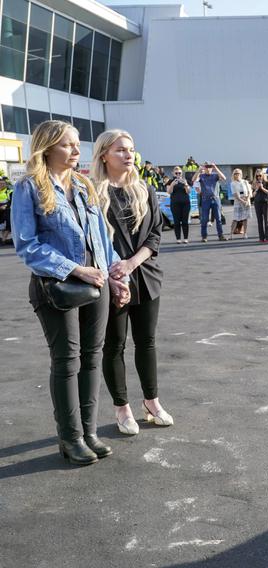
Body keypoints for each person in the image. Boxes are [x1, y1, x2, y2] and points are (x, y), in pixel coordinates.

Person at [11, 120, 131, 465]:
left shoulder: (83, 185)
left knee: (92, 358)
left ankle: (89, 432)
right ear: (47, 148)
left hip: (98, 284)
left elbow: (102, 241)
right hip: (58, 287)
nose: (77, 151)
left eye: (78, 144)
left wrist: (115, 276)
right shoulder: (30, 188)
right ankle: (71, 437)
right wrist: (76, 269)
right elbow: (27, 246)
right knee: (66, 361)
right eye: (68, 145)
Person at [92, 129, 173, 436]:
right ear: (104, 155)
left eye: (131, 150)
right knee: (114, 345)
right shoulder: (93, 192)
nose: (128, 155)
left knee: (147, 342)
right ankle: (122, 407)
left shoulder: (144, 190)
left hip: (145, 276)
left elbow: (154, 234)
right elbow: (90, 239)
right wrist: (115, 271)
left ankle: (151, 402)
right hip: (110, 280)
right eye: (121, 150)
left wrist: (131, 263)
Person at [191, 162, 226, 242]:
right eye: (206, 167)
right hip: (205, 199)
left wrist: (215, 167)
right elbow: (193, 180)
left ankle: (221, 235)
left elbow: (224, 178)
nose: (208, 168)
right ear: (204, 168)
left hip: (215, 199)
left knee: (218, 218)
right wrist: (199, 170)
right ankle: (204, 236)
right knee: (204, 219)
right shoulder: (201, 176)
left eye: (210, 167)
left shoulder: (214, 175)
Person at [165, 166, 192, 243]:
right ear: (173, 173)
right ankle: (178, 239)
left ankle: (186, 238)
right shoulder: (170, 181)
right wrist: (172, 185)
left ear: (182, 173)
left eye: (179, 173)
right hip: (175, 204)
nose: (178, 174)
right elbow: (169, 192)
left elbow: (188, 192)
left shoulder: (185, 180)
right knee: (176, 222)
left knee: (185, 221)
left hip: (185, 203)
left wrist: (186, 184)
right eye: (176, 173)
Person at [230, 169, 252, 239]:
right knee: (235, 218)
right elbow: (235, 194)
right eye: (235, 173)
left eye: (238, 173)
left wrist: (247, 199)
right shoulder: (233, 183)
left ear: (241, 174)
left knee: (245, 218)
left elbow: (249, 191)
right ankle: (230, 235)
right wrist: (242, 201)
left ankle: (245, 233)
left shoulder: (245, 182)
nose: (237, 175)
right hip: (238, 201)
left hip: (246, 200)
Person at [252, 169, 268, 242]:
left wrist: (262, 188)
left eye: (260, 175)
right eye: (257, 176)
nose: (259, 177)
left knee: (267, 220)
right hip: (257, 203)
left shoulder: (266, 182)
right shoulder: (254, 184)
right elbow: (252, 195)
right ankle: (261, 238)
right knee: (259, 220)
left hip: (265, 202)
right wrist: (257, 189)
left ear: (262, 175)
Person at [0, 177, 11, 245]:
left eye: (3, 183)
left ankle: (3, 239)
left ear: (6, 184)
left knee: (8, 220)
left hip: (6, 209)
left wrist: (5, 206)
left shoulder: (9, 191)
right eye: (0, 184)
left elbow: (12, 202)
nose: (1, 185)